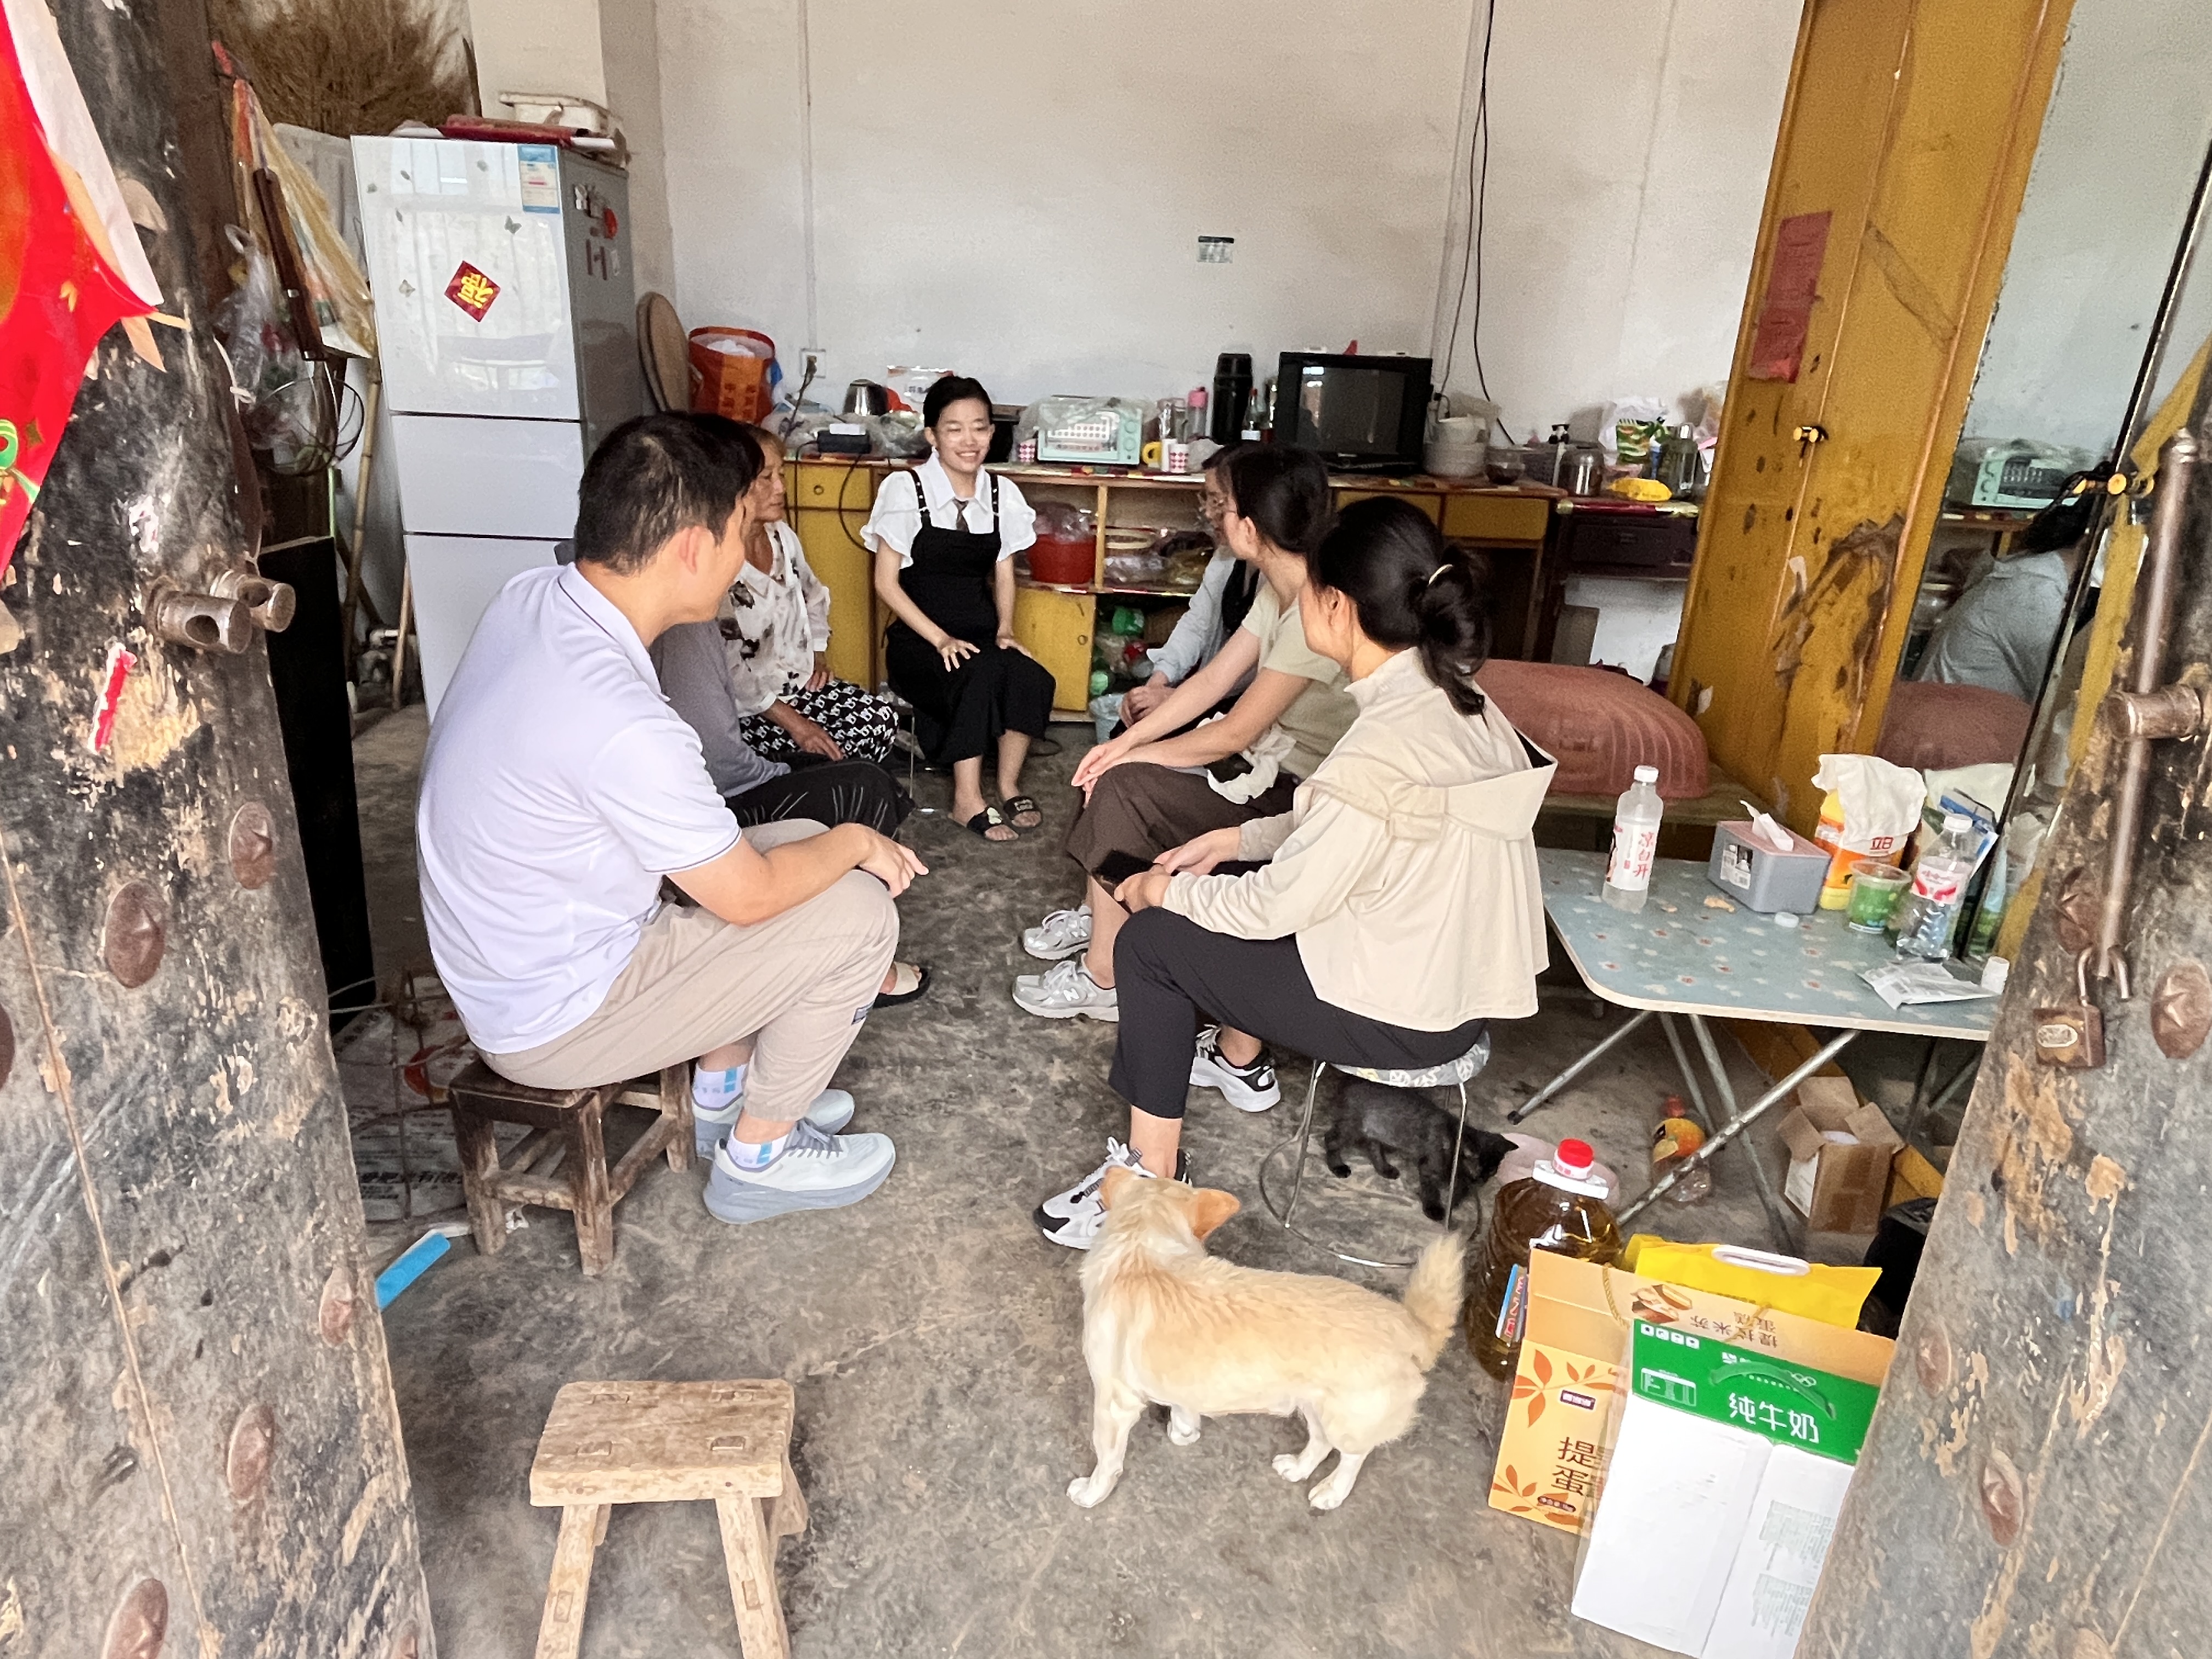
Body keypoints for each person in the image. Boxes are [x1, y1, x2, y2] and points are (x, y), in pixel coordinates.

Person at [418, 412, 927, 1226]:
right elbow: (748, 899)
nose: (744, 553)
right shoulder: (620, 718)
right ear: (694, 546)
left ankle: (723, 1097)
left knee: (802, 843)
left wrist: (833, 845)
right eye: (739, 529)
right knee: (862, 915)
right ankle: (761, 1158)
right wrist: (861, 839)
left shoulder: (534, 598)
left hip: (520, 959)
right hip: (557, 1018)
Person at [1032, 497, 1556, 1248]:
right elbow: (1362, 822)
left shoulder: (1382, 743)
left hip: (1400, 1013)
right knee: (1226, 885)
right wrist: (1237, 837)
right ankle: (1234, 1063)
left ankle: (1148, 1188)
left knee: (1151, 944)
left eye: (1309, 587)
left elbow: (1274, 906)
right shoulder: (1457, 700)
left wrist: (1161, 890)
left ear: (1336, 605)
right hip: (1453, 992)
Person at [1012, 445, 1355, 1030]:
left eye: (1224, 507)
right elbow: (1214, 679)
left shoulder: (1313, 608)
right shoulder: (1277, 588)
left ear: (1251, 525)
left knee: (1123, 786)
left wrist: (1130, 755)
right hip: (1260, 765)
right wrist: (1123, 744)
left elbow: (1236, 730)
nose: (1215, 517)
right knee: (1109, 762)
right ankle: (1103, 915)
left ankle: (1105, 978)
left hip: (1295, 791)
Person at [868, 376, 1058, 842]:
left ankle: (1009, 786)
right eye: (954, 429)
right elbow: (885, 583)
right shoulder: (905, 489)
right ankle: (966, 799)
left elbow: (1005, 572)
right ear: (932, 435)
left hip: (980, 637)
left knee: (1029, 675)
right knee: (976, 675)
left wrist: (1006, 630)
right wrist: (940, 639)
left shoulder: (1001, 494)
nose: (969, 440)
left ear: (992, 432)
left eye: (979, 427)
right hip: (920, 643)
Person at [722, 424, 898, 765]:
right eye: (766, 478)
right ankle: (819, 793)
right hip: (749, 709)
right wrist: (799, 726)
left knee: (879, 721)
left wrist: (816, 653)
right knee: (828, 751)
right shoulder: (718, 561)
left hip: (796, 685)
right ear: (733, 484)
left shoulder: (782, 538)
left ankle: (842, 793)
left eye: (781, 474)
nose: (780, 488)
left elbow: (813, 595)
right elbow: (729, 667)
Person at [1114, 445, 1261, 726]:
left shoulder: (1277, 583)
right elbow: (1197, 623)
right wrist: (1157, 682)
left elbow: (1252, 675)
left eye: (1217, 502)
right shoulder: (1227, 557)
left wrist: (1176, 697)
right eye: (1207, 499)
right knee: (1135, 719)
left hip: (1244, 705)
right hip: (1212, 690)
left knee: (1147, 733)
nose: (1208, 513)